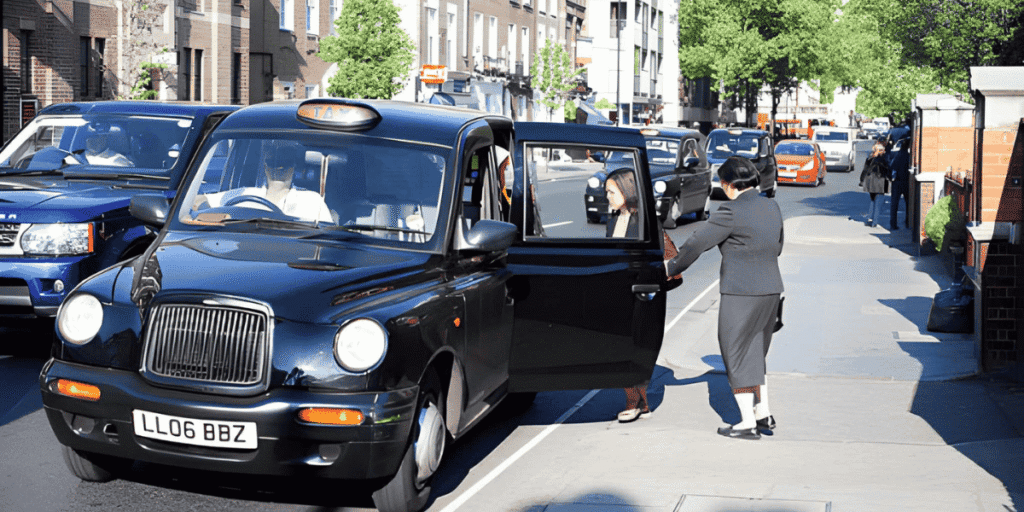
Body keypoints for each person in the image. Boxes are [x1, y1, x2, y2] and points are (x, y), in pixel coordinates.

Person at [665, 156, 784, 440]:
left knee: (736, 353)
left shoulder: (729, 211)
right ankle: (763, 413)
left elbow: (697, 242)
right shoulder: (772, 205)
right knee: (756, 352)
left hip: (740, 292)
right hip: (771, 290)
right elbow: (778, 247)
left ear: (727, 184)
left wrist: (672, 267)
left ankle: (745, 423)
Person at [605, 168, 649, 422]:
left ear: (627, 191)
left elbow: (662, 255)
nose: (607, 196)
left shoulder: (644, 221)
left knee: (630, 349)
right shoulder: (613, 219)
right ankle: (640, 401)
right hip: (617, 292)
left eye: (612, 191)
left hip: (638, 294)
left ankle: (633, 402)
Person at [195, 144, 333, 223]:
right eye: (272, 162)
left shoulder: (312, 201)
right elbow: (197, 200)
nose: (278, 167)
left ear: (294, 166)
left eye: (284, 162)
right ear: (265, 166)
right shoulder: (244, 194)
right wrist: (208, 216)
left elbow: (329, 238)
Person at [886, 122, 911, 230]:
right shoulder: (909, 157)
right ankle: (907, 221)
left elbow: (892, 166)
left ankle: (893, 224)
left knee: (894, 204)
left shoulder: (897, 155)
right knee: (908, 204)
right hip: (906, 181)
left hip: (897, 181)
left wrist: (891, 178)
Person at [859, 141, 890, 227]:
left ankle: (870, 218)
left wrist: (861, 180)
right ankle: (874, 222)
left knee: (873, 200)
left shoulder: (869, 158)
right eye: (882, 150)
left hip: (870, 182)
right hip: (880, 182)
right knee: (878, 202)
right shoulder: (884, 159)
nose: (884, 151)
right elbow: (887, 170)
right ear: (880, 151)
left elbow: (865, 169)